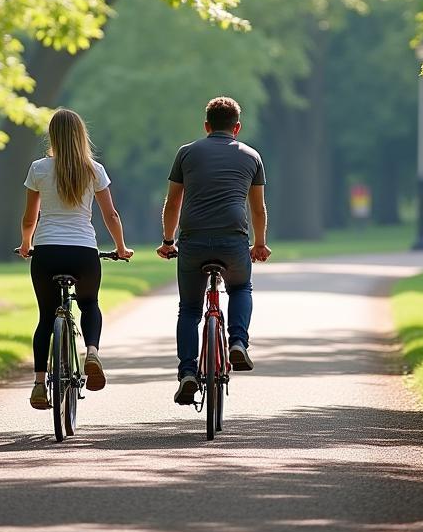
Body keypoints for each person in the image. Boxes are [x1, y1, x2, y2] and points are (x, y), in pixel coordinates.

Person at [157, 95, 270, 405]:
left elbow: (173, 203)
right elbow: (257, 209)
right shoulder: (251, 156)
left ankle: (188, 373)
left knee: (190, 310)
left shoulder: (186, 153)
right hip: (234, 239)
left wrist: (168, 242)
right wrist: (259, 244)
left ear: (206, 126)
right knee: (241, 287)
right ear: (237, 127)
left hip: (193, 240)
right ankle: (237, 342)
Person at [18, 108, 133, 410]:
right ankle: (92, 351)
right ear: (81, 135)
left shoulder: (38, 169)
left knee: (46, 316)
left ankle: (39, 384)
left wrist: (26, 244)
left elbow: (30, 217)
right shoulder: (94, 169)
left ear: (52, 135)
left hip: (47, 252)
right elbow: (111, 214)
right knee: (89, 304)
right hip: (83, 252)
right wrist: (121, 247)